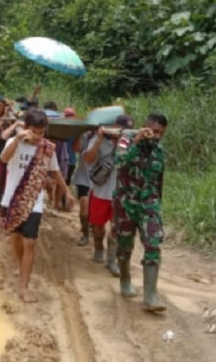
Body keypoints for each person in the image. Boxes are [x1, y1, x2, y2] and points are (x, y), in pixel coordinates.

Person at [0, 109, 75, 302]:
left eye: (41, 132)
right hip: (12, 199)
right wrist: (17, 139)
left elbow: (56, 172)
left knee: (30, 242)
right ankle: (18, 264)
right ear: (26, 128)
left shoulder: (47, 148)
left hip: (34, 200)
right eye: (34, 132)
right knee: (14, 237)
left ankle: (24, 286)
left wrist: (67, 191)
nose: (38, 137)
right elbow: (4, 159)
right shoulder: (13, 143)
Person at [113, 113, 168, 313]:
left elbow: (159, 180)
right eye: (153, 131)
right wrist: (136, 142)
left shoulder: (159, 150)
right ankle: (125, 280)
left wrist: (157, 206)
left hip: (149, 205)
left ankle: (150, 296)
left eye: (161, 133)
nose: (156, 136)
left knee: (153, 244)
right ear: (145, 126)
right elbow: (119, 163)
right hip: (126, 203)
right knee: (125, 245)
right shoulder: (126, 140)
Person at [83, 114, 134, 276]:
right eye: (122, 128)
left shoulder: (130, 144)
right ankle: (98, 247)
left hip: (120, 194)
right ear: (115, 126)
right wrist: (99, 138)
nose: (124, 132)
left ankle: (111, 260)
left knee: (115, 229)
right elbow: (89, 159)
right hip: (100, 192)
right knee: (98, 228)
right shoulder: (100, 141)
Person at [72, 129, 93, 246]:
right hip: (83, 177)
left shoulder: (106, 137)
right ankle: (85, 234)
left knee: (93, 207)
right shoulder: (85, 136)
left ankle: (92, 228)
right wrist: (79, 133)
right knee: (84, 204)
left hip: (99, 180)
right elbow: (75, 149)